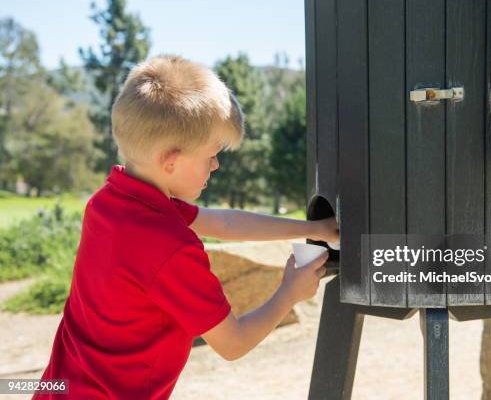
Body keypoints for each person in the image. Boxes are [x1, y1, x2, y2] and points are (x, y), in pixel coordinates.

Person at [34, 54, 338, 399]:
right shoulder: (170, 247)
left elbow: (224, 222)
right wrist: (290, 292)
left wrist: (316, 228)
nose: (216, 164)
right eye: (211, 154)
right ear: (172, 161)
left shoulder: (111, 203)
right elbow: (233, 343)